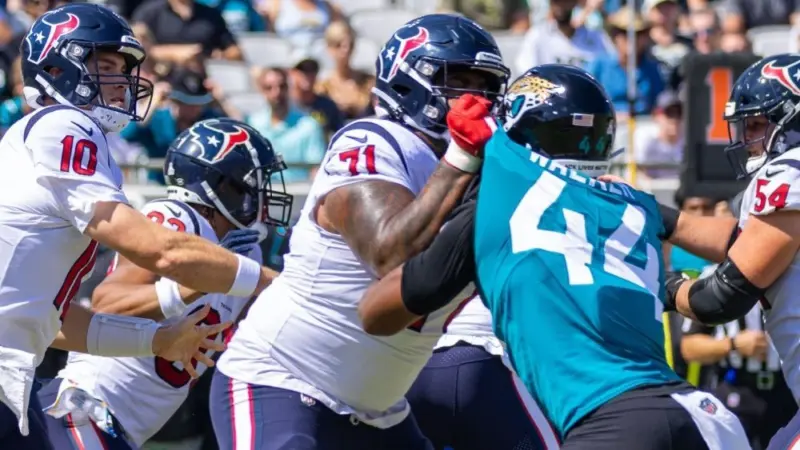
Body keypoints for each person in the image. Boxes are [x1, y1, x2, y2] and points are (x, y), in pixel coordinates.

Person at [360, 64, 749, 449]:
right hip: (708, 420)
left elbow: (376, 314)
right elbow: (737, 241)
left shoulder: (499, 198)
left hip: (612, 425)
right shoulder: (631, 204)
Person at [209, 13, 509, 450]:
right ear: (409, 83)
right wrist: (462, 157)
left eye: (485, 87)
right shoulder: (373, 140)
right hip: (282, 380)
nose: (475, 99)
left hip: (380, 413)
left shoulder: (479, 173)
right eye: (459, 82)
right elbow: (391, 257)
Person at [0, 5, 277, 446]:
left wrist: (156, 339)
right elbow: (159, 251)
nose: (122, 82)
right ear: (56, 66)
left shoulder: (57, 140)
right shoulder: (62, 124)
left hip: (18, 377)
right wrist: (272, 283)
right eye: (106, 67)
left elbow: (52, 321)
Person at [36, 117, 292, 449]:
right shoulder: (177, 219)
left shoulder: (249, 253)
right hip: (85, 410)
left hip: (120, 431)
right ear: (221, 185)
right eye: (252, 184)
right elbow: (108, 302)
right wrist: (196, 282)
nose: (262, 195)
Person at [658, 53, 800, 450]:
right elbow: (745, 237)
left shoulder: (791, 172)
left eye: (756, 124)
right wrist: (657, 215)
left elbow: (722, 297)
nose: (745, 138)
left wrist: (660, 286)